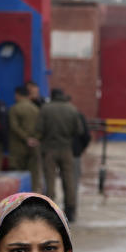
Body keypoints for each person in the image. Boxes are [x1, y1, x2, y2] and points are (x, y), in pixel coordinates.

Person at [38, 88, 84, 222]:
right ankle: (70, 211)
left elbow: (39, 129)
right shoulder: (71, 109)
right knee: (69, 180)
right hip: (66, 149)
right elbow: (79, 130)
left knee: (50, 180)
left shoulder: (45, 109)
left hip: (49, 149)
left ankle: (50, 211)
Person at [8, 84, 43, 192]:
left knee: (18, 173)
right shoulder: (36, 109)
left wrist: (26, 138)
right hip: (34, 146)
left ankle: (19, 198)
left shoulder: (14, 109)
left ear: (18, 95)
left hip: (18, 147)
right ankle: (34, 195)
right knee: (34, 174)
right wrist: (35, 139)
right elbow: (41, 127)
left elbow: (14, 127)